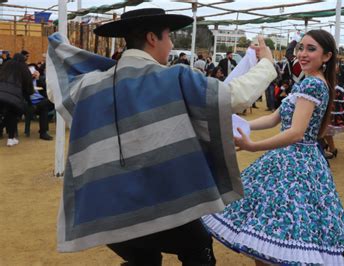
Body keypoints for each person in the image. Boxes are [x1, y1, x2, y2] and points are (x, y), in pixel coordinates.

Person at [47, 8, 277, 265]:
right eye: (168, 36)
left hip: (111, 213)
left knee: (143, 259)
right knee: (198, 248)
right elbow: (233, 96)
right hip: (162, 203)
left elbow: (57, 90)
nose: (170, 44)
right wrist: (267, 63)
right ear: (152, 38)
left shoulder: (89, 85)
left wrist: (61, 46)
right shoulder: (174, 78)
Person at [202, 30, 344, 265]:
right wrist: (242, 125)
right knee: (270, 234)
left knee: (276, 233)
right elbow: (276, 118)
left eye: (311, 49)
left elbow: (296, 132)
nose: (302, 54)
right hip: (290, 160)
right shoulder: (307, 82)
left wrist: (252, 146)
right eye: (301, 48)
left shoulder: (313, 86)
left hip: (297, 164)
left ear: (326, 57)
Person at [0, 53, 34, 146]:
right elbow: (29, 86)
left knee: (3, 115)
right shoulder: (23, 68)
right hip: (13, 97)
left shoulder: (5, 65)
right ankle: (11, 139)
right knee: (12, 116)